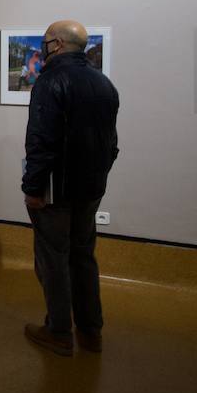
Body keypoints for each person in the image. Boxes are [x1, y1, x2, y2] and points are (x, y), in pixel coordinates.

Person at [21, 19, 119, 357]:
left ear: (57, 44)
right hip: (91, 189)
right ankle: (92, 330)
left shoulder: (51, 81)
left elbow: (41, 141)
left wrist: (32, 187)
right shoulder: (103, 82)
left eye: (46, 40)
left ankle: (58, 331)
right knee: (83, 255)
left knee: (53, 259)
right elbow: (111, 142)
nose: (43, 45)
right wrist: (98, 176)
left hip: (56, 191)